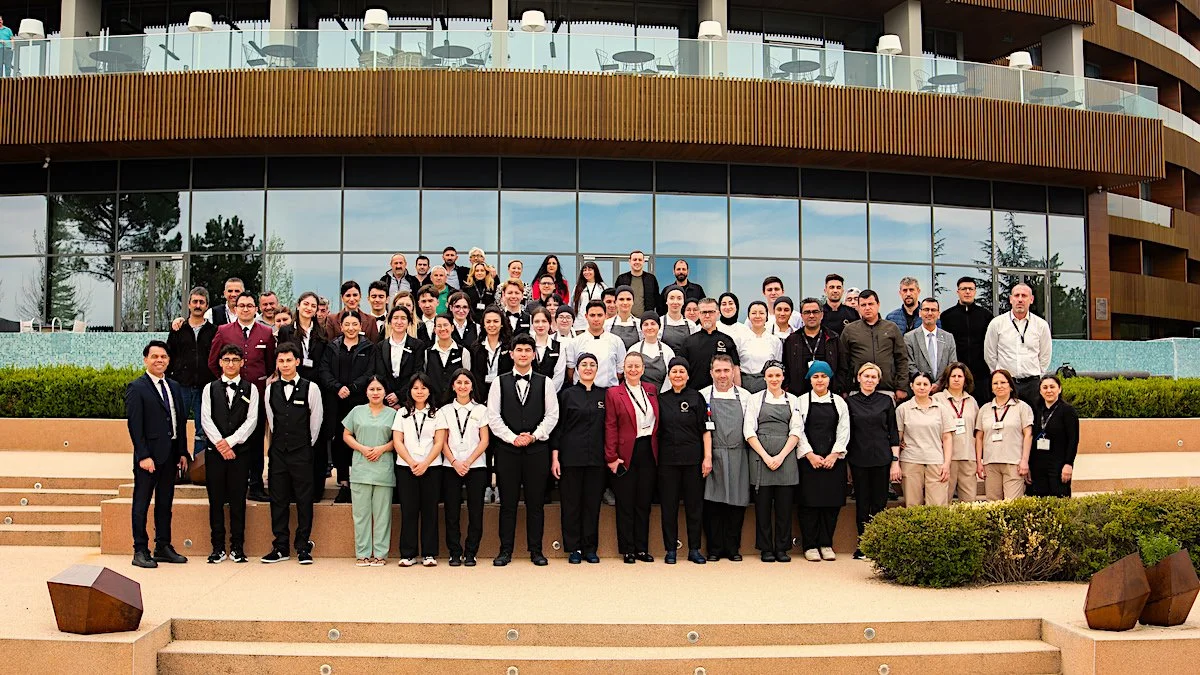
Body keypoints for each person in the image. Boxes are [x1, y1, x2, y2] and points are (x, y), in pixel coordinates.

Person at [488, 333, 560, 566]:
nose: (523, 354)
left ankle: (536, 551)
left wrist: (534, 436)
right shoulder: (499, 382)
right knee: (507, 504)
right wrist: (512, 438)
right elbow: (493, 416)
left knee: (535, 503)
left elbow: (552, 415)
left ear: (534, 354)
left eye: (528, 350)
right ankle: (505, 551)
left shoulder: (545, 382)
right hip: (507, 451)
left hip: (537, 450)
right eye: (519, 350)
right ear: (511, 354)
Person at [127, 340, 190, 569]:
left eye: (163, 357)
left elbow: (180, 421)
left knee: (165, 503)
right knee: (141, 504)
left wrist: (182, 451)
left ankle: (163, 546)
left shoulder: (174, 386)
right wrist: (143, 455)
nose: (159, 360)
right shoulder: (137, 387)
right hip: (149, 458)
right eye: (154, 357)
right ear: (146, 360)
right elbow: (135, 425)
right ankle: (140, 549)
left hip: (170, 455)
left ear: (169, 360)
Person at [208, 291, 274, 502]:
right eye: (242, 305)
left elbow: (270, 364)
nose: (246, 309)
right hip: (230, 399)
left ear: (256, 309)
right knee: (231, 438)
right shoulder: (223, 331)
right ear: (235, 309)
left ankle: (255, 485)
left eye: (250, 306)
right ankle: (232, 486)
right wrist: (227, 383)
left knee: (255, 442)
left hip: (257, 396)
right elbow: (213, 362)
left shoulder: (266, 333)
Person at [261, 343, 323, 564]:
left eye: (289, 360)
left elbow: (316, 422)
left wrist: (304, 445)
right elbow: (272, 421)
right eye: (281, 361)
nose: (285, 365)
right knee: (278, 499)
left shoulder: (311, 388)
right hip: (278, 452)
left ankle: (303, 546)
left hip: (302, 452)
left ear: (297, 361)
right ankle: (280, 547)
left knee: (304, 499)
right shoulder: (270, 389)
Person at [199, 344, 258, 564]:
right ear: (220, 363)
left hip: (240, 453)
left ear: (242, 362)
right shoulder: (209, 388)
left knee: (238, 501)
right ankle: (217, 548)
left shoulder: (251, 389)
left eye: (235, 359)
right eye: (226, 360)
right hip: (215, 453)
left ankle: (237, 548)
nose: (231, 364)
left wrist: (231, 442)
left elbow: (252, 420)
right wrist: (221, 445)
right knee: (215, 501)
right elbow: (205, 419)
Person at [551, 352, 607, 564]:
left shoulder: (605, 395)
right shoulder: (567, 395)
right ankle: (573, 548)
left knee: (592, 505)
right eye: (584, 364)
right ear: (577, 369)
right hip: (570, 458)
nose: (588, 368)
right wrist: (555, 457)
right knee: (571, 505)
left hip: (597, 459)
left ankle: (590, 548)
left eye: (592, 364)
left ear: (597, 369)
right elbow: (558, 428)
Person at [744, 360, 802, 563]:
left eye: (778, 375)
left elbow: (796, 430)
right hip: (760, 457)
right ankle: (766, 548)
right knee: (763, 507)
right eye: (770, 376)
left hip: (786, 456)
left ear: (783, 377)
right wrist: (766, 456)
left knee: (784, 507)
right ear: (765, 378)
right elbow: (749, 430)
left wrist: (781, 456)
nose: (774, 379)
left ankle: (782, 548)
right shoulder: (755, 399)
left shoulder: (793, 400)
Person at [276, 291, 331, 503]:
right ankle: (291, 488)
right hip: (293, 384)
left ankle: (316, 488)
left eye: (313, 306)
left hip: (316, 387)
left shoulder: (322, 332)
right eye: (305, 304)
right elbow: (281, 357)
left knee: (316, 435)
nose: (309, 308)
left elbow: (323, 361)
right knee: (293, 432)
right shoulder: (286, 330)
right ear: (298, 306)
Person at [605, 352, 660, 564]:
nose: (633, 369)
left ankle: (641, 548)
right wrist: (611, 457)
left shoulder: (651, 390)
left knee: (643, 502)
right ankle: (627, 549)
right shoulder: (614, 393)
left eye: (637, 366)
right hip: (625, 452)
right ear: (623, 369)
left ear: (643, 369)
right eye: (629, 366)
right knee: (626, 503)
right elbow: (610, 426)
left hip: (648, 450)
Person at [657, 357, 711, 565]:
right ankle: (670, 549)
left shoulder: (697, 397)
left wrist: (707, 457)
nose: (678, 375)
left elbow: (706, 430)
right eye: (674, 371)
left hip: (693, 461)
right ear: (669, 375)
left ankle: (694, 549)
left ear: (688, 375)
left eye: (681, 371)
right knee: (669, 507)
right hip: (667, 462)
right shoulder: (661, 399)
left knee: (694, 506)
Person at [795, 360, 851, 562]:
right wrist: (809, 454)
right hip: (809, 461)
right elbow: (797, 430)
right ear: (810, 379)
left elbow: (844, 430)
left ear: (830, 379)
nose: (820, 380)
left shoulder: (840, 402)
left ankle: (826, 544)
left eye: (824, 376)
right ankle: (810, 546)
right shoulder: (801, 401)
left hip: (833, 461)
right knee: (808, 505)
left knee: (831, 505)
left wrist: (834, 455)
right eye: (816, 376)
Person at [845, 362, 900, 560]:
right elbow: (847, 434)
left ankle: (879, 546)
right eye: (866, 376)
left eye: (873, 377)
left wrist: (895, 461)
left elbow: (893, 432)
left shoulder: (886, 401)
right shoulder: (850, 402)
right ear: (859, 378)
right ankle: (863, 545)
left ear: (878, 380)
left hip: (882, 459)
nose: (869, 380)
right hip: (858, 459)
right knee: (862, 503)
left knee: (879, 504)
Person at [700, 354, 751, 562]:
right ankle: (714, 548)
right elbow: (702, 428)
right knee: (713, 503)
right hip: (713, 454)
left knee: (736, 503)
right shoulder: (703, 395)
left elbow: (750, 428)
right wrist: (707, 456)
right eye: (718, 371)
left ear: (733, 372)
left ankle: (733, 548)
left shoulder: (746, 397)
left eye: (726, 370)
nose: (722, 375)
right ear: (711, 372)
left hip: (739, 454)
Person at [436, 369, 490, 566]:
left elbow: (484, 440)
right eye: (459, 383)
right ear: (453, 386)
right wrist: (454, 462)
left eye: (467, 383)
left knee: (476, 511)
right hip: (451, 466)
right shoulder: (444, 411)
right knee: (452, 511)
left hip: (476, 466)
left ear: (472, 386)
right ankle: (454, 552)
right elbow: (442, 441)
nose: (462, 386)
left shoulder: (481, 410)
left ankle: (471, 552)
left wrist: (467, 461)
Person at [318, 311, 374, 503]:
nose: (351, 328)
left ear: (361, 326)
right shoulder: (332, 346)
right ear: (341, 327)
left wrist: (353, 388)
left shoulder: (369, 347)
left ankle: (358, 480)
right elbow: (324, 370)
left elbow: (370, 372)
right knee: (340, 441)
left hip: (359, 401)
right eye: (347, 324)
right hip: (336, 401)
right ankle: (343, 482)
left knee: (358, 440)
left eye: (354, 324)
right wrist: (337, 387)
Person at [342, 376, 397, 567]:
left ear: (385, 392)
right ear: (366, 392)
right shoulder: (356, 411)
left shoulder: (393, 414)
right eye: (372, 389)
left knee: (382, 515)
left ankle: (380, 554)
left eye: (379, 389)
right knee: (361, 515)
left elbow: (398, 439)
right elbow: (346, 435)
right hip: (361, 468)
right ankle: (363, 553)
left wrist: (382, 449)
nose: (375, 393)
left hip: (383, 469)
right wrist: (362, 448)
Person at [391, 373, 443, 567]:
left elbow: (439, 442)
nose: (419, 391)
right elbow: (398, 441)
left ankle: (429, 553)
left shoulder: (438, 413)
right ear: (410, 391)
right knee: (409, 510)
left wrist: (425, 463)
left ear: (429, 391)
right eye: (415, 388)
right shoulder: (401, 413)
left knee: (430, 511)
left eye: (423, 388)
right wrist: (412, 462)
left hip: (432, 467)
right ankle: (408, 553)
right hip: (406, 467)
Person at [167, 287, 217, 464]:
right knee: (176, 425)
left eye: (201, 302)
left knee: (202, 429)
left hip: (205, 386)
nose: (198, 305)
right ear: (188, 304)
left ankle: (198, 467)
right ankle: (176, 464)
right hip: (181, 385)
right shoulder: (178, 329)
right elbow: (169, 355)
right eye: (194, 301)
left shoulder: (214, 331)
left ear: (207, 306)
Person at [984, 283, 1052, 410]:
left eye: (1024, 296)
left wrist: (1038, 374)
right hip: (1006, 384)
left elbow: (1045, 355)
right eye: (1016, 295)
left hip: (1032, 384)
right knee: (1006, 418)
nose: (1020, 299)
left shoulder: (1041, 325)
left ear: (1031, 299)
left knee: (1033, 419)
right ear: (1011, 299)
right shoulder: (997, 323)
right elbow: (990, 354)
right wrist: (999, 376)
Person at [895, 371, 954, 507]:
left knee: (937, 506)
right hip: (911, 460)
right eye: (918, 384)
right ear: (911, 386)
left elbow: (947, 437)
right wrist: (896, 462)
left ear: (931, 386)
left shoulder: (941, 409)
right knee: (913, 505)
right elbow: (897, 438)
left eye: (925, 384)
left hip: (936, 462)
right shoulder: (902, 409)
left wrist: (946, 463)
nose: (922, 387)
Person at [975, 369, 1034, 501]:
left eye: (1003, 382)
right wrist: (979, 462)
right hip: (990, 463)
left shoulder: (1022, 407)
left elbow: (1028, 434)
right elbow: (979, 437)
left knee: (1012, 504)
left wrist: (1025, 460)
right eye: (995, 383)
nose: (999, 386)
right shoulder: (984, 409)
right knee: (993, 504)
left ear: (1011, 386)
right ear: (991, 388)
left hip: (1014, 462)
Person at [838, 290, 908, 400]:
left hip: (887, 389)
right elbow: (843, 362)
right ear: (858, 307)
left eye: (870, 304)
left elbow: (902, 359)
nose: (867, 308)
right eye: (863, 305)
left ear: (878, 305)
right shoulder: (849, 330)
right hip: (857, 391)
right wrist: (844, 389)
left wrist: (902, 387)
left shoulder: (891, 328)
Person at [940, 276, 994, 403]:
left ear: (975, 291)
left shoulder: (986, 316)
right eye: (964, 289)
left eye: (971, 289)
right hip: (956, 375)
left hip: (981, 375)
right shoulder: (946, 317)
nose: (967, 292)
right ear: (957, 291)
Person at [935, 362, 981, 503]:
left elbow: (977, 431)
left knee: (969, 502)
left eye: (960, 376)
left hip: (968, 456)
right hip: (945, 458)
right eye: (953, 376)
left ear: (965, 379)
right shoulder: (937, 399)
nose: (956, 379)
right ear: (947, 379)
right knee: (943, 500)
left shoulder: (972, 401)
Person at [1028, 374, 1079, 498]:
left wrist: (1068, 464)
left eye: (1052, 387)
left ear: (1059, 389)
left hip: (1059, 465)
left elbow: (1073, 440)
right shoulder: (1035, 410)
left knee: (1059, 499)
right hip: (1037, 464)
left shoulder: (1068, 411)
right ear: (1040, 391)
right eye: (1045, 387)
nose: (1049, 390)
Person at [679, 298, 741, 391]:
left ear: (718, 313)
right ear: (698, 314)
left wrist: (737, 393)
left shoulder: (727, 340)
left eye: (711, 312)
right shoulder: (688, 341)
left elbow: (735, 369)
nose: (707, 316)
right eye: (704, 312)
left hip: (722, 393)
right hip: (695, 393)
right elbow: (681, 369)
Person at [369, 306, 425, 409]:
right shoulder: (381, 346)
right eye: (395, 318)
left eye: (403, 318)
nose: (399, 322)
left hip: (409, 398)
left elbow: (417, 373)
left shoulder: (417, 345)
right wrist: (390, 397)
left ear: (409, 322)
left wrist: (399, 396)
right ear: (390, 321)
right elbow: (380, 373)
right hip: (386, 399)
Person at [784, 298, 842, 396]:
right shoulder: (791, 340)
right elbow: (786, 367)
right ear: (801, 316)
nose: (811, 315)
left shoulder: (833, 338)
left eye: (815, 312)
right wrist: (788, 388)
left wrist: (839, 388)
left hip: (829, 395)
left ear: (822, 315)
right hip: (798, 395)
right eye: (807, 312)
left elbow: (842, 367)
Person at [565, 301, 626, 388]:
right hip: (582, 391)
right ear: (586, 316)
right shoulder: (575, 342)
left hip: (608, 390)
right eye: (592, 315)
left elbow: (620, 371)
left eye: (599, 315)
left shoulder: (616, 341)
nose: (596, 319)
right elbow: (570, 371)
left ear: (605, 316)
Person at [904, 298, 957, 385]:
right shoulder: (909, 337)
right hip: (919, 388)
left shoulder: (948, 337)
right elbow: (909, 364)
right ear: (920, 313)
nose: (929, 313)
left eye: (933, 310)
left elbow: (952, 365)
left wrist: (938, 384)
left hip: (943, 388)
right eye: (926, 309)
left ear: (938, 314)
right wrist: (925, 384)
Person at [736, 300, 782, 394]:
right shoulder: (740, 339)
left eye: (761, 313)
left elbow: (777, 365)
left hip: (767, 383)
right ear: (749, 316)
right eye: (754, 313)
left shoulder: (775, 341)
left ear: (766, 316)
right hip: (744, 382)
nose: (757, 316)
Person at [470, 306, 514, 401]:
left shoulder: (510, 346)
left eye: (496, 321)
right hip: (480, 396)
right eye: (488, 322)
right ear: (483, 325)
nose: (492, 325)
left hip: (505, 394)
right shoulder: (476, 347)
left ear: (502, 324)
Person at [424, 314, 471, 403]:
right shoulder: (427, 353)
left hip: (456, 402)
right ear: (434, 329)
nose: (442, 329)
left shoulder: (463, 352)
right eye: (439, 326)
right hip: (433, 403)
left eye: (445, 325)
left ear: (452, 327)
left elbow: (467, 378)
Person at [628, 312, 675, 392]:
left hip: (662, 395)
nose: (649, 327)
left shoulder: (667, 351)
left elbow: (670, 377)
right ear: (641, 328)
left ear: (659, 326)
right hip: (638, 394)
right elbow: (628, 375)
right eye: (646, 324)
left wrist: (663, 395)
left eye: (653, 324)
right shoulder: (634, 349)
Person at [530, 307, 566, 392]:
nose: (540, 325)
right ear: (532, 324)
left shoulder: (559, 347)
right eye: (537, 321)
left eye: (544, 321)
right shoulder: (527, 345)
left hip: (551, 393)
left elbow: (559, 376)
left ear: (550, 323)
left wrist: (547, 393)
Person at [615, 250, 661, 317]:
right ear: (630, 261)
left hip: (646, 319)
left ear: (643, 261)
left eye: (640, 260)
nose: (637, 262)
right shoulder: (621, 279)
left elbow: (657, 299)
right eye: (634, 260)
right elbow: (616, 298)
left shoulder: (651, 279)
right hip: (625, 318)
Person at [660, 287, 698, 353]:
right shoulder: (659, 322)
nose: (675, 302)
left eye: (679, 298)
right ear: (666, 301)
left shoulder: (691, 325)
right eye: (671, 298)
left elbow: (694, 348)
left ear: (683, 302)